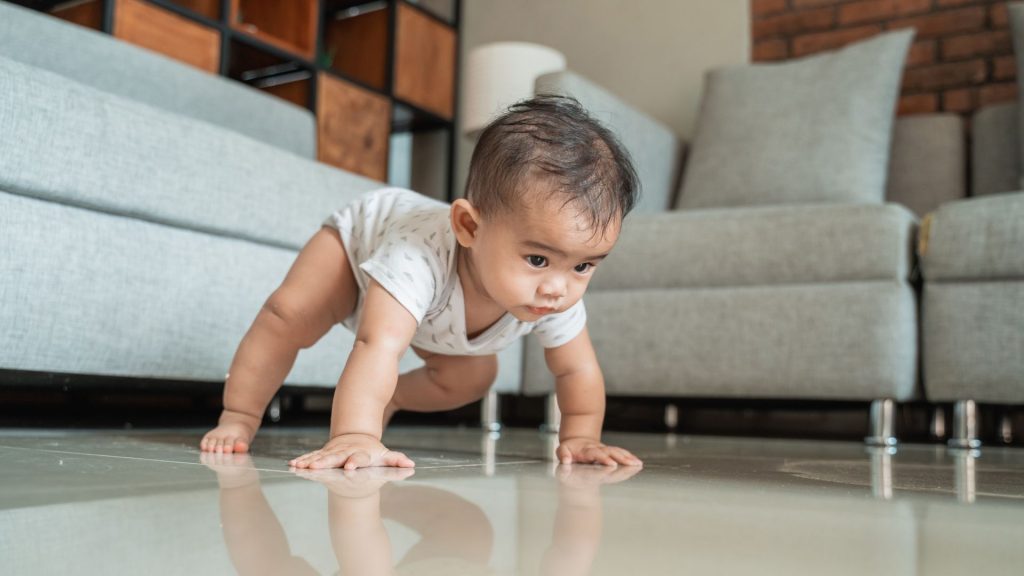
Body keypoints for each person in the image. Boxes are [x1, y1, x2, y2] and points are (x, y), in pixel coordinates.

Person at [200, 94, 644, 470]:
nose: (558, 287)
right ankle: (239, 414)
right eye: (536, 258)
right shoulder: (418, 256)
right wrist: (355, 435)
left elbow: (576, 369)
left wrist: (582, 437)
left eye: (584, 266)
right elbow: (379, 347)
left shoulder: (553, 293)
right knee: (289, 315)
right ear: (469, 227)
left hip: (431, 309)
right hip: (360, 247)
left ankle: (391, 400)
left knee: (475, 374)